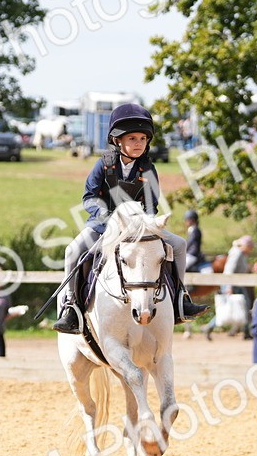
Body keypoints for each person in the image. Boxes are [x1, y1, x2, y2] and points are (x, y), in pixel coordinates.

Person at [53, 104, 208, 334]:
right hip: (103, 226)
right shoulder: (104, 164)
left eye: (143, 138)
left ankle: (179, 301)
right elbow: (89, 197)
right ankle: (70, 307)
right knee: (73, 250)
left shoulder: (148, 169)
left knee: (179, 244)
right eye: (132, 138)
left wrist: (141, 224)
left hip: (138, 227)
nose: (138, 143)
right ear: (118, 141)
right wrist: (109, 221)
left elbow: (151, 205)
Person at [203, 234, 254, 340]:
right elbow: (229, 270)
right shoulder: (237, 253)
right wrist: (229, 286)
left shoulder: (242, 254)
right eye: (250, 246)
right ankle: (210, 326)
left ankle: (246, 331)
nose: (252, 249)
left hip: (237, 283)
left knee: (244, 305)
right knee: (230, 308)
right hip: (231, 284)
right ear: (246, 245)